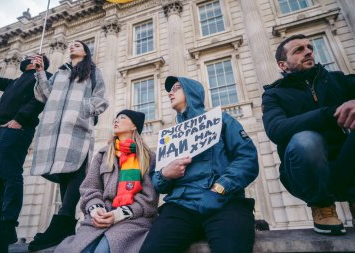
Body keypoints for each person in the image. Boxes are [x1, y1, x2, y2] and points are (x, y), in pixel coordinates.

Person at [140, 76, 259, 253]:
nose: (170, 93)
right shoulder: (169, 137)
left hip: (225, 202)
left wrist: (220, 187)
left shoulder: (222, 120)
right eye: (169, 90)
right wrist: (166, 173)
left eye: (176, 88)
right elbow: (157, 183)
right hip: (180, 206)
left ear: (191, 92)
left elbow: (247, 158)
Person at [262, 34, 355, 235]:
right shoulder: (273, 94)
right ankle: (322, 206)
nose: (308, 51)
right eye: (299, 50)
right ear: (283, 65)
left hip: (346, 166)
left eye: (309, 47)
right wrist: (329, 113)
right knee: (306, 139)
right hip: (305, 173)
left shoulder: (337, 79)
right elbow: (276, 129)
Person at [28, 40, 109, 251]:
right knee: (64, 173)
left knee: (77, 168)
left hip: (78, 127)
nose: (72, 47)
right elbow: (44, 95)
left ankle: (63, 220)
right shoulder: (61, 72)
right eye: (71, 45)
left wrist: (82, 112)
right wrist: (40, 72)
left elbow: (100, 98)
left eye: (77, 45)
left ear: (85, 51)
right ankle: (65, 225)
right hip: (56, 130)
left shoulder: (93, 71)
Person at [0, 49, 52, 244]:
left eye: (33, 56)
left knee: (10, 174)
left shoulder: (43, 77)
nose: (27, 57)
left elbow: (42, 99)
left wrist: (20, 119)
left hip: (16, 128)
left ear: (38, 61)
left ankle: (8, 221)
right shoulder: (16, 81)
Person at [54, 109, 158, 253]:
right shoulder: (102, 155)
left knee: (104, 249)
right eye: (115, 118)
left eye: (122, 117)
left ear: (134, 126)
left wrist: (118, 214)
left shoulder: (148, 157)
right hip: (100, 217)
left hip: (132, 221)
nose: (116, 120)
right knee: (82, 249)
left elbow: (149, 198)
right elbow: (90, 188)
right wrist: (96, 209)